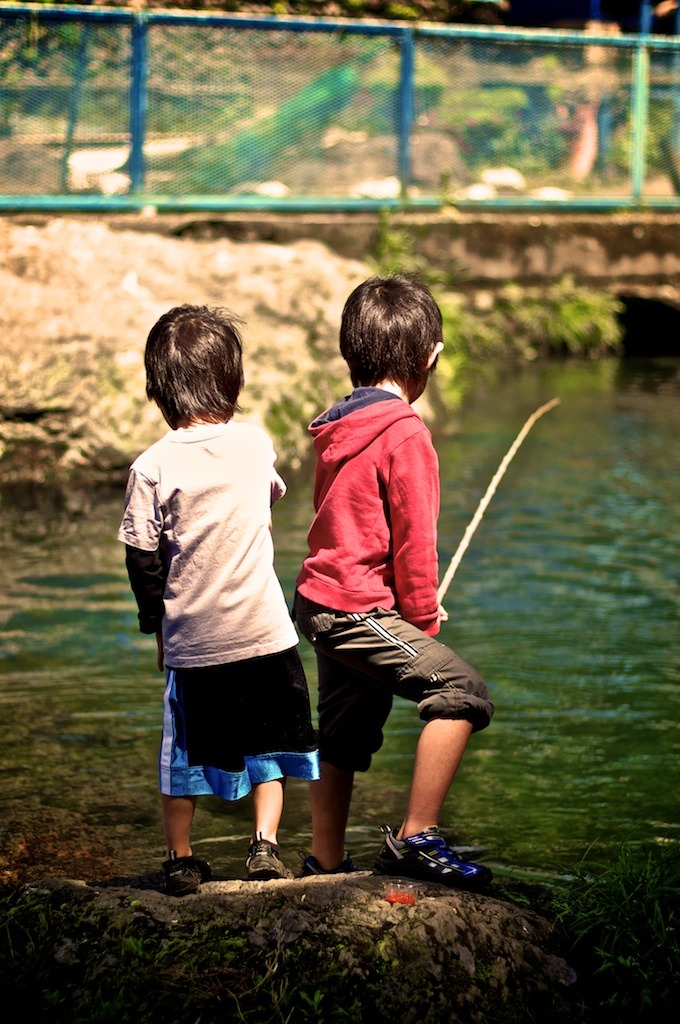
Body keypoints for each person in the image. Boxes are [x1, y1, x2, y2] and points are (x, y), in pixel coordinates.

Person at [293, 274, 494, 890]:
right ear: (430, 355)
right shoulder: (406, 431)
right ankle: (415, 839)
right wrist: (423, 619)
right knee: (463, 694)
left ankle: (325, 862)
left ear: (351, 352)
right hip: (360, 611)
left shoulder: (334, 426)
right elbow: (414, 541)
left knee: (344, 735)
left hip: (319, 602)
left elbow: (347, 526)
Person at [118, 304, 319, 897]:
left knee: (180, 756)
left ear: (158, 389)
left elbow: (142, 556)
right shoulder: (256, 446)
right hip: (265, 634)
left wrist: (155, 621)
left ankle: (181, 857)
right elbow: (268, 499)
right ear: (233, 381)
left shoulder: (151, 466)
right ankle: (265, 847)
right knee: (271, 748)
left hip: (195, 641)